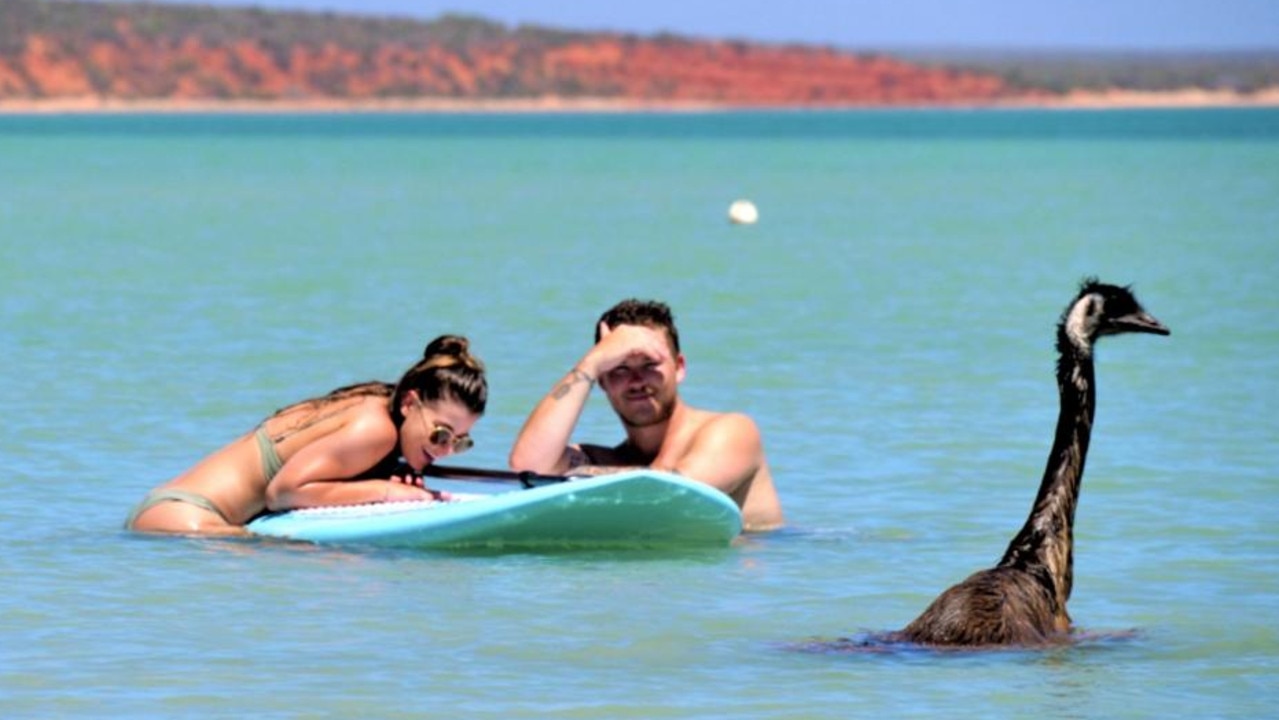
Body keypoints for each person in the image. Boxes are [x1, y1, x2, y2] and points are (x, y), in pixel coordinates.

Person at [125, 335, 487, 536]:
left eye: (460, 441)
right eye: (441, 433)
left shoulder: (376, 406)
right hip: (188, 519)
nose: (445, 449)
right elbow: (283, 493)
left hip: (170, 512)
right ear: (410, 403)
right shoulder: (375, 429)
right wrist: (391, 491)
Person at [508, 299, 783, 532]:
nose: (637, 381)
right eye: (619, 368)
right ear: (602, 381)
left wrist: (580, 475)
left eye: (650, 364)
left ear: (679, 367)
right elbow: (529, 466)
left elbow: (672, 493)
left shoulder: (732, 432)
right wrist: (591, 363)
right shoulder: (605, 460)